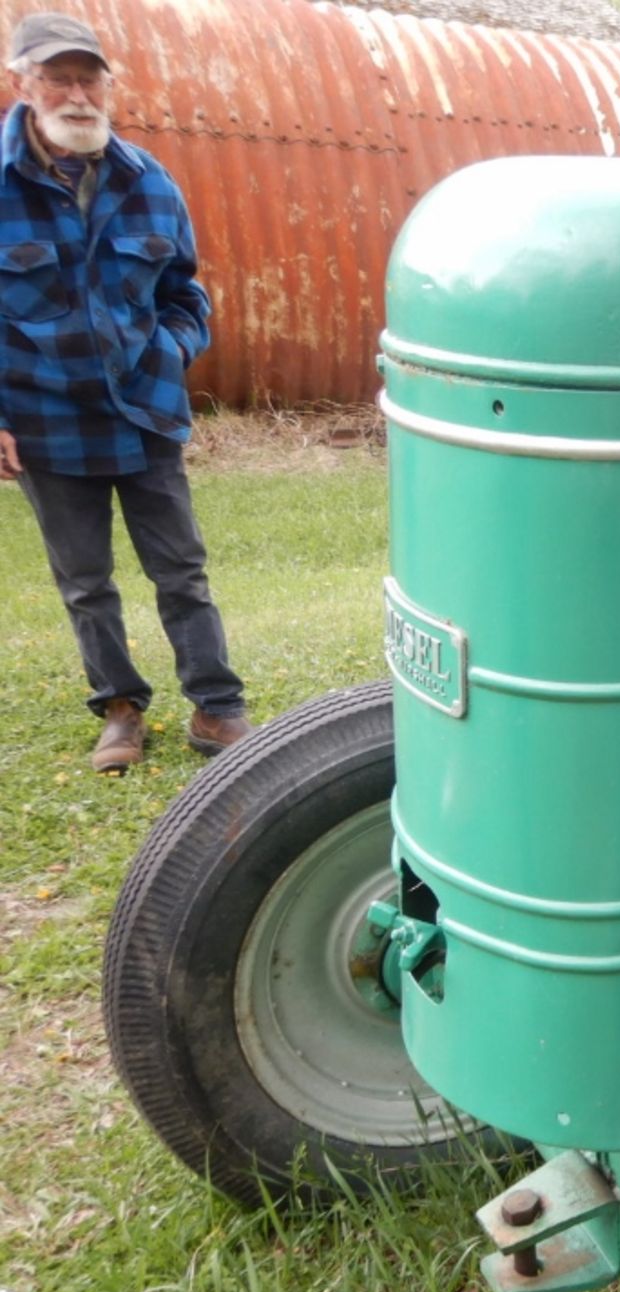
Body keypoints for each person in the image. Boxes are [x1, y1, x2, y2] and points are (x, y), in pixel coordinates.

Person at [0, 12, 248, 773]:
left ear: (108, 85)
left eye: (88, 78)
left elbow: (185, 294)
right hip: (45, 421)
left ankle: (217, 706)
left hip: (146, 414)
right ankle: (120, 710)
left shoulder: (150, 180)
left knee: (181, 570)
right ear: (22, 83)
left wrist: (171, 352)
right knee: (85, 581)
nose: (76, 94)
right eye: (58, 78)